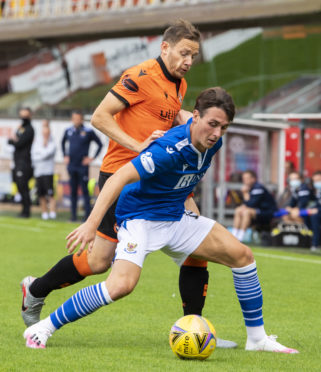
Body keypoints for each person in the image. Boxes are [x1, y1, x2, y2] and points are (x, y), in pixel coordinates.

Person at [23, 88, 298, 353]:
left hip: (175, 217)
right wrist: (91, 223)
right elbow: (118, 178)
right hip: (140, 219)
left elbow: (183, 127)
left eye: (223, 128)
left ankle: (257, 339)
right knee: (120, 286)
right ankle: (43, 327)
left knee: (243, 256)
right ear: (197, 116)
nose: (216, 133)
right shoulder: (168, 150)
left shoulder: (211, 140)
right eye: (212, 124)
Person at [20, 19, 235, 348]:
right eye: (183, 53)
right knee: (98, 262)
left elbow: (165, 123)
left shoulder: (178, 84)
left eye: (193, 54)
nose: (189, 60)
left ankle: (195, 327)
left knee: (195, 248)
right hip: (123, 177)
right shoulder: (140, 76)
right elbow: (100, 116)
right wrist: (137, 146)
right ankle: (36, 290)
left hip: (159, 176)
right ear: (165, 48)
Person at [62, 110, 102, 222]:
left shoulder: (88, 131)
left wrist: (92, 158)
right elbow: (62, 143)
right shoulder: (68, 131)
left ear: (82, 119)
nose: (76, 121)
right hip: (71, 166)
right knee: (73, 191)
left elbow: (100, 144)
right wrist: (65, 155)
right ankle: (73, 216)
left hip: (82, 166)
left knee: (85, 191)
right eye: (74, 118)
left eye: (78, 118)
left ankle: (87, 217)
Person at [231, 170, 277, 242]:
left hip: (267, 212)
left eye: (247, 178)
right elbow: (247, 204)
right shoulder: (250, 188)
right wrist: (243, 206)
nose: (245, 181)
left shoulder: (258, 188)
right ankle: (233, 235)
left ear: (253, 179)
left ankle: (240, 238)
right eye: (243, 179)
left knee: (247, 212)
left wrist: (245, 193)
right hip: (257, 211)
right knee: (238, 210)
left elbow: (251, 204)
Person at [8, 107, 34, 218]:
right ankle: (23, 209)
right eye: (22, 115)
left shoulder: (29, 129)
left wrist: (14, 141)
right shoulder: (21, 128)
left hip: (24, 162)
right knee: (19, 186)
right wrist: (14, 140)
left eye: (25, 115)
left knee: (23, 187)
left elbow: (19, 143)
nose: (23, 118)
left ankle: (26, 211)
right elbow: (12, 140)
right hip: (17, 161)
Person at [31, 120, 57, 220]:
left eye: (47, 133)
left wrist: (41, 153)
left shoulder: (52, 142)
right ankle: (44, 212)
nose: (45, 134)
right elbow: (34, 155)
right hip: (38, 172)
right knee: (41, 194)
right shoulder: (37, 141)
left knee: (50, 193)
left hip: (48, 172)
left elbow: (47, 154)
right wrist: (42, 153)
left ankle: (52, 212)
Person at [309, 171, 321, 252]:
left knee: (314, 216)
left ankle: (315, 243)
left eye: (319, 180)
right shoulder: (317, 191)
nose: (317, 183)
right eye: (315, 181)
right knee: (309, 215)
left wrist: (317, 210)